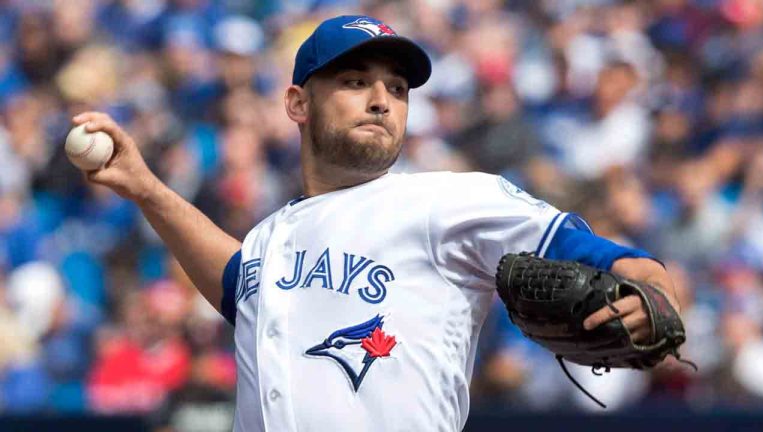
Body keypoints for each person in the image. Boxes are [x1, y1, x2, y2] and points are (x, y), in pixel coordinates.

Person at [73, 15, 679, 432]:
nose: (382, 100)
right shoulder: (269, 238)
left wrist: (652, 291)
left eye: (396, 86)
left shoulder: (453, 200)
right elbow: (241, 286)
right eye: (356, 82)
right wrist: (147, 190)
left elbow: (615, 261)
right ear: (297, 104)